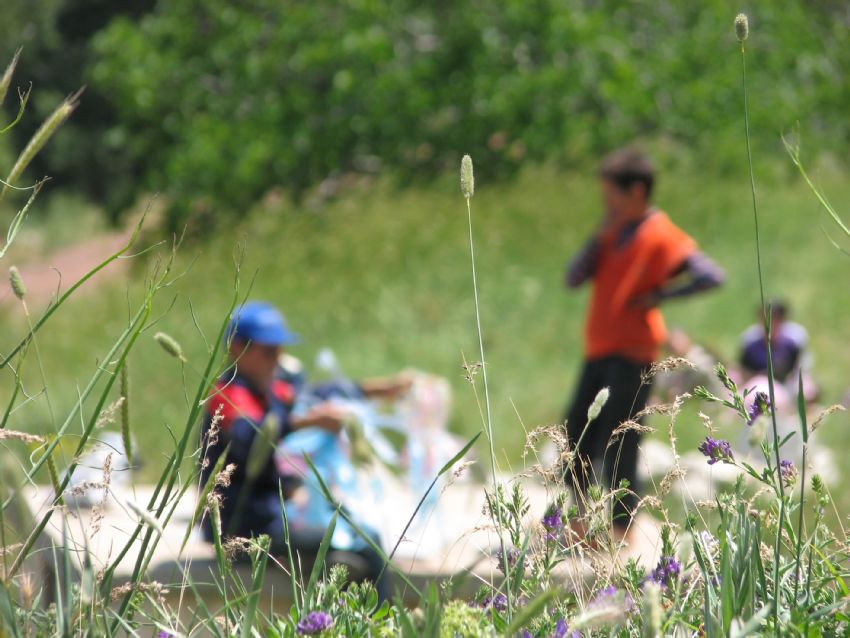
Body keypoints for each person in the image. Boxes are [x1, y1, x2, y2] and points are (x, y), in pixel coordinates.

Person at [563, 147, 724, 540]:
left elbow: (709, 275)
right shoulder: (613, 231)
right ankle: (582, 521)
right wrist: (599, 236)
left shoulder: (660, 233)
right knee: (575, 434)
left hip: (634, 352)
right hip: (600, 347)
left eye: (611, 195)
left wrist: (658, 297)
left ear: (636, 192)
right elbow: (573, 278)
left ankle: (621, 529)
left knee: (621, 439)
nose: (606, 203)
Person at [199, 301, 399, 598]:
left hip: (274, 517)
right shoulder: (227, 395)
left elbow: (317, 393)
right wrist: (308, 422)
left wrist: (381, 389)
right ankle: (386, 624)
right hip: (242, 530)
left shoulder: (270, 389)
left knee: (347, 538)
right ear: (238, 348)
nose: (277, 359)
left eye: (280, 350)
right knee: (367, 542)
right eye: (269, 351)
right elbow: (251, 438)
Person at [737, 300, 817, 402]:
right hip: (758, 384)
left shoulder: (793, 340)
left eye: (774, 319)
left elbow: (801, 369)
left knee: (807, 391)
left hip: (788, 383)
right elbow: (743, 370)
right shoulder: (750, 342)